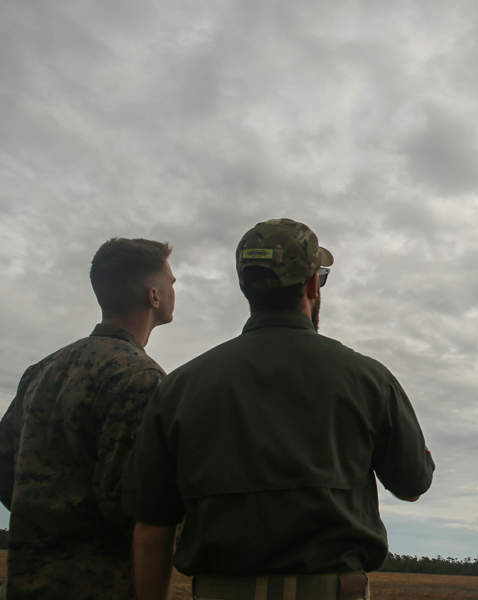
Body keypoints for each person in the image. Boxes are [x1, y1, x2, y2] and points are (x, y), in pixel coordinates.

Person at [124, 218, 434, 600]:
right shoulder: (370, 380)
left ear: (246, 288)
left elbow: (152, 527)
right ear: (312, 286)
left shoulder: (179, 388)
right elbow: (412, 485)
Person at [0, 238, 176, 599]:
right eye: (172, 282)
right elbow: (135, 506)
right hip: (101, 586)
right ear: (154, 296)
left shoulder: (41, 370)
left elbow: (3, 469)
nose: (175, 289)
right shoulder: (142, 379)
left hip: (26, 583)